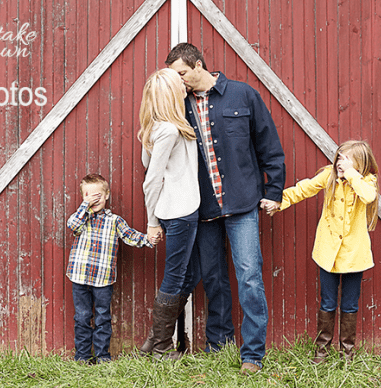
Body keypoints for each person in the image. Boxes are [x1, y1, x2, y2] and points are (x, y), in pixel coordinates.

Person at [166, 43, 286, 373]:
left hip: (243, 202)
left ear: (199, 65)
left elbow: (269, 146)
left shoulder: (242, 95)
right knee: (214, 278)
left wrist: (274, 191)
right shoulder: (180, 107)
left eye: (182, 74)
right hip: (202, 207)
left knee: (249, 276)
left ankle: (253, 354)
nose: (179, 82)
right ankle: (219, 344)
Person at [268, 140, 379, 363]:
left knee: (350, 304)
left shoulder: (365, 181)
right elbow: (304, 189)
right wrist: (279, 201)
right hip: (327, 252)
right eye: (340, 157)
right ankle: (322, 350)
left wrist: (351, 175)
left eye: (347, 160)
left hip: (354, 255)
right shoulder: (329, 176)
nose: (341, 163)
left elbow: (369, 196)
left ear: (360, 163)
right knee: (327, 302)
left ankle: (346, 353)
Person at [137, 68, 201, 358]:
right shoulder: (170, 130)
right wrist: (151, 222)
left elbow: (146, 159)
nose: (184, 85)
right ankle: (162, 347)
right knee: (176, 277)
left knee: (188, 273)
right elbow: (151, 179)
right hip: (179, 212)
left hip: (182, 210)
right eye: (179, 84)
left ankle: (154, 340)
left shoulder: (162, 126)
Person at [66, 173, 157, 364]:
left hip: (103, 279)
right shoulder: (82, 219)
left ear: (106, 196)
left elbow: (130, 236)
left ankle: (102, 356)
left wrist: (148, 239)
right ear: (83, 198)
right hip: (80, 277)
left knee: (102, 317)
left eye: (98, 195)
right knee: (82, 317)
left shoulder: (115, 221)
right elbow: (72, 224)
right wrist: (86, 206)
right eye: (89, 196)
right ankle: (82, 356)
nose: (94, 199)